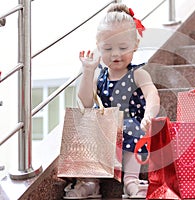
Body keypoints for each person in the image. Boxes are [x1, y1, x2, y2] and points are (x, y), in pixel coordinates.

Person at [66, 3, 160, 199]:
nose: (115, 53)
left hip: (132, 128)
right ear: (99, 48)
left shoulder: (138, 74)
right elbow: (85, 103)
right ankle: (91, 181)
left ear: (135, 45)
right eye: (108, 48)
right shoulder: (99, 76)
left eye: (122, 47)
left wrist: (149, 115)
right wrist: (88, 72)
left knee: (129, 126)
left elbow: (152, 94)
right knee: (86, 123)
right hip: (106, 130)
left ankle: (131, 180)